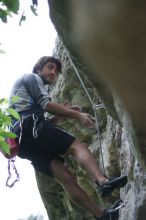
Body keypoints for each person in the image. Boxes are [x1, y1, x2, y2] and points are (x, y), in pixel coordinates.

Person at [8, 56, 127, 220]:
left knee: (66, 178)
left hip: (23, 144)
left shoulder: (21, 96)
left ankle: (102, 215)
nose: (53, 73)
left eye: (56, 71)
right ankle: (102, 181)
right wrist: (77, 115)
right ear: (38, 69)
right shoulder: (31, 77)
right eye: (50, 67)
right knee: (78, 147)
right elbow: (46, 105)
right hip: (31, 127)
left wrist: (58, 118)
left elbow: (34, 127)